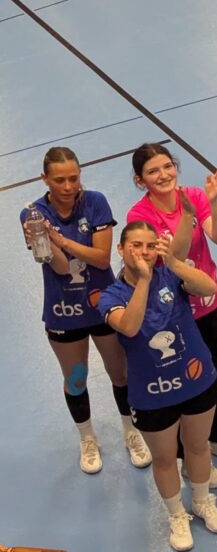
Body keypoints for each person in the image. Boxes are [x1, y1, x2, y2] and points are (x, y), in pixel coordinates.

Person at [128, 143, 217, 486]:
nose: (164, 175)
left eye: (168, 166)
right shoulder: (140, 217)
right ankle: (191, 460)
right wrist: (186, 216)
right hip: (174, 316)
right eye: (153, 171)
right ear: (141, 181)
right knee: (185, 387)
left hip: (210, 303)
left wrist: (212, 203)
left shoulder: (194, 196)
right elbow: (174, 259)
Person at [98, 222, 217, 552]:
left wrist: (173, 263)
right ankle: (176, 515)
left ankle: (201, 500)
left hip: (196, 378)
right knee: (166, 458)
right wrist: (144, 280)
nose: (143, 252)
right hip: (152, 394)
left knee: (198, 447)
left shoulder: (170, 274)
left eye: (150, 245)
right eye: (136, 245)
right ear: (121, 249)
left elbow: (207, 286)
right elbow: (129, 326)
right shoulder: (111, 295)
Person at [19, 147, 150, 473]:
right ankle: (87, 438)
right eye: (59, 180)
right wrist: (44, 246)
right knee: (75, 379)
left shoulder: (95, 202)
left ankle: (131, 430)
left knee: (119, 372)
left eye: (73, 178)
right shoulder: (33, 215)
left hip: (104, 303)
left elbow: (102, 258)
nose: (68, 186)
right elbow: (62, 269)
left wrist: (59, 240)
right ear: (44, 179)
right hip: (63, 310)